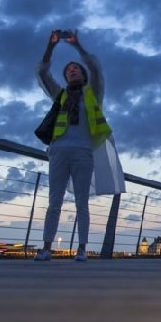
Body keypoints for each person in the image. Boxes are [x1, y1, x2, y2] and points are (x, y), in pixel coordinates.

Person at [34, 30, 113, 262]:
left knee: (82, 202)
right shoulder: (60, 95)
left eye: (76, 68)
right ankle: (47, 247)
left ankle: (81, 249)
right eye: (68, 69)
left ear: (83, 74)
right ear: (66, 77)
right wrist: (51, 46)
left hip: (83, 152)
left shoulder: (94, 93)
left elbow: (96, 68)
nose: (72, 70)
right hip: (58, 150)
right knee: (54, 201)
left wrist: (78, 47)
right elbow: (41, 72)